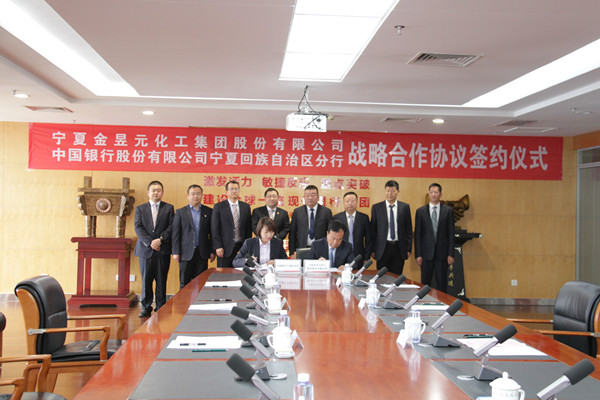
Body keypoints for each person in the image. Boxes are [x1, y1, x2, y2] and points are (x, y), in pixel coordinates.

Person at [134, 181, 174, 318]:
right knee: (146, 280)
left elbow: (171, 227)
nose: (156, 192)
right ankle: (145, 307)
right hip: (145, 250)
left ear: (162, 192)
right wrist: (150, 242)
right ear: (148, 192)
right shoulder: (140, 209)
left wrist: (160, 240)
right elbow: (138, 227)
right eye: (153, 190)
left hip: (162, 249)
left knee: (161, 279)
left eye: (158, 190)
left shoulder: (168, 208)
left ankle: (161, 306)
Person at [414, 183, 455, 293]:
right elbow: (417, 235)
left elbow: (451, 234)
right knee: (425, 283)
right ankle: (424, 302)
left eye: (436, 192)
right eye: (431, 192)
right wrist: (418, 254)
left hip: (442, 254)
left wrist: (451, 254)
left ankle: (443, 302)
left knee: (442, 283)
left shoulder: (448, 211)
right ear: (428, 194)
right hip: (426, 254)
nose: (433, 194)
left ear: (440, 194)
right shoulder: (420, 211)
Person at [172, 184, 215, 289]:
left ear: (202, 195)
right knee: (184, 283)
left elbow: (212, 233)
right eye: (193, 194)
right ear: (187, 196)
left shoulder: (209, 211)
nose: (195, 196)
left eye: (198, 194)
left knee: (201, 282)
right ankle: (184, 301)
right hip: (185, 253)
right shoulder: (180, 212)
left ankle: (198, 300)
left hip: (202, 252)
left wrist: (212, 251)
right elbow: (176, 234)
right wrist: (176, 252)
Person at [371, 180, 412, 275]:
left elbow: (408, 229)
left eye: (393, 191)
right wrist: (373, 250)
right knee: (381, 276)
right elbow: (373, 231)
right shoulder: (377, 208)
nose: (390, 193)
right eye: (388, 191)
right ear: (385, 191)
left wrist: (408, 249)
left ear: (398, 191)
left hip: (399, 247)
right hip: (383, 248)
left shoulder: (405, 207)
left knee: (396, 276)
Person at [211, 180, 252, 267]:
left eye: (236, 189)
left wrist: (248, 246)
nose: (234, 191)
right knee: (224, 273)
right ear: (226, 191)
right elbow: (215, 229)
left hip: (241, 247)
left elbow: (248, 228)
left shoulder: (245, 207)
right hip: (224, 248)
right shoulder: (219, 207)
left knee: (241, 272)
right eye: (231, 189)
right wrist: (218, 246)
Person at [289, 185, 332, 256]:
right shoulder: (297, 212)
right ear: (304, 197)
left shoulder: (326, 212)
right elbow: (292, 233)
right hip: (302, 248)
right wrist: (292, 252)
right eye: (307, 195)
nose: (310, 198)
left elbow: (330, 232)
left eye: (313, 195)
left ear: (318, 197)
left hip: (321, 249)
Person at [333, 191, 373, 263]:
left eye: (352, 201)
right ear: (343, 203)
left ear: (357, 202)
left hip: (359, 255)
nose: (350, 203)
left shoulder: (364, 218)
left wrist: (366, 257)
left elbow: (368, 239)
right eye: (347, 201)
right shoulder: (337, 218)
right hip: (341, 254)